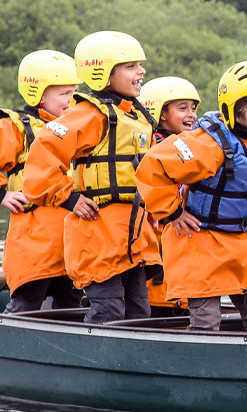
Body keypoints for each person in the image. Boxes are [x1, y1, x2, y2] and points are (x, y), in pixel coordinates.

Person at [136, 61, 247, 332]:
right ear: (236, 109)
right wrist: (172, 212)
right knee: (206, 323)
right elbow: (153, 165)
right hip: (202, 243)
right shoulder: (206, 144)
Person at [23, 31, 161, 323]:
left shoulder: (134, 116)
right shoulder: (90, 114)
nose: (141, 71)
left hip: (132, 235)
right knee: (108, 310)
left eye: (139, 65)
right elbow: (43, 152)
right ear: (104, 74)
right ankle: (97, 364)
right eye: (131, 66)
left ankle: (135, 365)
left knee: (140, 312)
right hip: (98, 232)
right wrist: (69, 198)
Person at [0, 50, 84, 312]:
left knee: (70, 308)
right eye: (63, 94)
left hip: (71, 245)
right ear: (37, 94)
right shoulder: (15, 127)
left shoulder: (78, 128)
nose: (71, 101)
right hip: (35, 243)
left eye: (73, 93)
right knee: (27, 303)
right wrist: (2, 196)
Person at [137, 76, 202, 316]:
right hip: (157, 241)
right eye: (182, 108)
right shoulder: (150, 145)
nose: (191, 115)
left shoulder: (191, 145)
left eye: (193, 108)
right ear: (160, 113)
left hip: (182, 243)